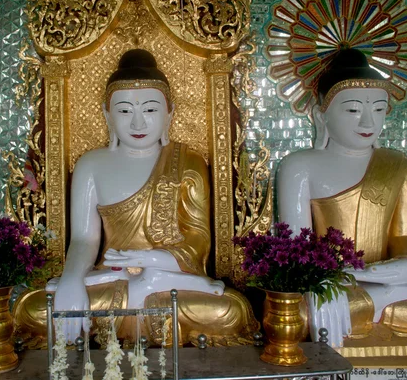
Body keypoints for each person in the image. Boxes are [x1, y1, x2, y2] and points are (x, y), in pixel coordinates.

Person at [14, 49, 259, 346]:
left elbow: (198, 240)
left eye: (151, 110)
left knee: (231, 311)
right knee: (34, 309)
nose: (138, 124)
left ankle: (147, 286)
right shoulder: (90, 165)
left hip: (168, 275)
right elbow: (84, 239)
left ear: (170, 113)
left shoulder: (189, 162)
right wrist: (71, 281)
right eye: (125, 111)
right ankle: (141, 290)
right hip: (112, 278)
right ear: (107, 114)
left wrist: (150, 258)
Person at [277, 49, 407, 348]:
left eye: (379, 109)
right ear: (320, 115)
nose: (367, 121)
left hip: (388, 284)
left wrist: (384, 272)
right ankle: (380, 303)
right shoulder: (299, 166)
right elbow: (294, 253)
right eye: (352, 110)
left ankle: (382, 301)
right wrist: (323, 284)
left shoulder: (400, 167)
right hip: (330, 289)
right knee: (302, 315)